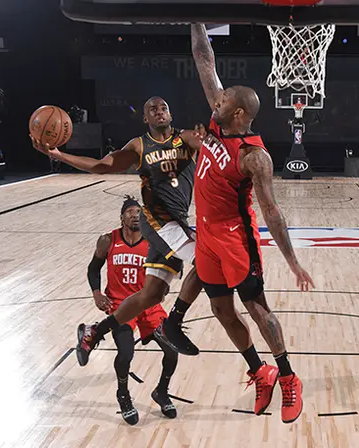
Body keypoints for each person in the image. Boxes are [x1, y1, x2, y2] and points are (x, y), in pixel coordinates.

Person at [190, 24, 314, 424]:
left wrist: (293, 262)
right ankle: (260, 371)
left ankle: (289, 377)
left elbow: (273, 213)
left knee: (257, 309)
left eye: (223, 99)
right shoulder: (216, 122)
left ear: (238, 112)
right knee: (221, 311)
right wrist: (195, 19)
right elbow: (205, 61)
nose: (216, 99)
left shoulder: (252, 156)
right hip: (206, 237)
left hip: (235, 240)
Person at [33, 96, 205, 360]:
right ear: (145, 119)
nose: (159, 112)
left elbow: (209, 145)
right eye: (152, 110)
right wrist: (59, 155)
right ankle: (174, 322)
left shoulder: (186, 139)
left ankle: (95, 331)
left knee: (151, 295)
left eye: (164, 108)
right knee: (208, 261)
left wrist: (212, 136)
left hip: (176, 222)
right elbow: (103, 165)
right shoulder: (139, 146)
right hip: (158, 221)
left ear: (170, 115)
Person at [89, 198, 179, 425]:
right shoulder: (108, 240)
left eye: (139, 212)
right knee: (126, 353)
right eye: (129, 212)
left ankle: (161, 391)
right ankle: (123, 394)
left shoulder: (153, 242)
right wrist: (97, 293)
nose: (135, 215)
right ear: (121, 217)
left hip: (148, 304)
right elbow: (93, 268)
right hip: (121, 305)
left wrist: (165, 284)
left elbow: (172, 266)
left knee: (172, 350)